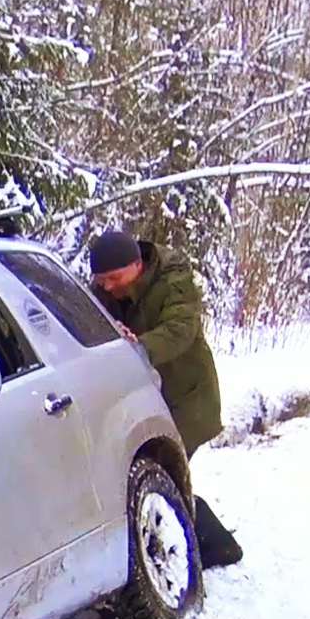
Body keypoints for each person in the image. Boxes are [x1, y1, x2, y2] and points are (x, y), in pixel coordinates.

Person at [87, 228, 243, 568]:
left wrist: (138, 348)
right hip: (144, 400)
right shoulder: (105, 289)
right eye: (102, 281)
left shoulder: (174, 279)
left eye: (114, 278)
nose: (108, 287)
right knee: (157, 478)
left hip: (186, 398)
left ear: (137, 265)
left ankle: (213, 547)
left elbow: (179, 330)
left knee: (161, 477)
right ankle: (204, 545)